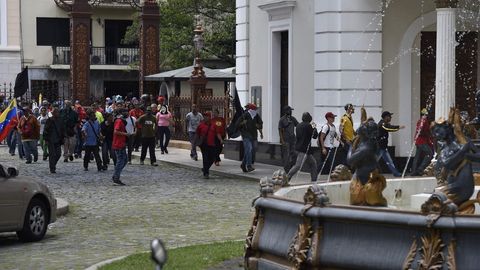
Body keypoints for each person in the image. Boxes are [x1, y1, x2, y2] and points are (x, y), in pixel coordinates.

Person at [286, 112, 319, 183]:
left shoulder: (298, 125)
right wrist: (314, 127)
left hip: (300, 148)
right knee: (298, 166)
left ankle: (314, 180)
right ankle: (287, 177)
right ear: (308, 118)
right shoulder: (309, 126)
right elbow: (315, 135)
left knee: (313, 163)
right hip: (304, 150)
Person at [236, 103, 263, 172]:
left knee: (251, 150)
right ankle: (249, 165)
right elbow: (237, 124)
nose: (255, 111)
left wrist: (260, 131)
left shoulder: (256, 116)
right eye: (254, 109)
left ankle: (243, 164)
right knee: (249, 149)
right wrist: (242, 123)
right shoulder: (245, 115)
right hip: (246, 135)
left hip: (254, 135)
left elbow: (260, 124)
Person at [196, 111, 223, 178]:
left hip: (212, 144)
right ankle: (206, 173)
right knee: (205, 158)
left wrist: (221, 140)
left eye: (206, 116)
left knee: (212, 158)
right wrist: (196, 142)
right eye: (204, 116)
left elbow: (217, 133)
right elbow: (197, 134)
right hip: (204, 145)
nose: (205, 117)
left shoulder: (213, 125)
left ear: (209, 117)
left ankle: (205, 169)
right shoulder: (200, 125)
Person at [377, 111, 404, 177]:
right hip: (379, 147)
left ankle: (396, 173)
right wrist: (398, 127)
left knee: (389, 161)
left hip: (383, 147)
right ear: (386, 117)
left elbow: (389, 127)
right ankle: (366, 173)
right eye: (389, 116)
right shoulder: (382, 124)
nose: (391, 118)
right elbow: (388, 128)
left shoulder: (383, 123)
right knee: (374, 161)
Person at [411, 108, 433, 176]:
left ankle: (414, 171)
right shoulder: (423, 121)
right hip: (421, 141)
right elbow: (420, 131)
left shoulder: (421, 120)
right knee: (429, 154)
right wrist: (428, 134)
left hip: (418, 141)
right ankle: (420, 169)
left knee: (417, 156)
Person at [43, 108, 65, 173]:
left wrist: (63, 137)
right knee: (52, 155)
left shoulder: (60, 120)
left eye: (58, 112)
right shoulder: (49, 120)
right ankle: (52, 168)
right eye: (56, 112)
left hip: (58, 140)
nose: (57, 114)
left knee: (58, 154)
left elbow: (62, 129)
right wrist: (46, 139)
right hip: (50, 140)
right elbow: (45, 130)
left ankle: (53, 164)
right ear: (53, 113)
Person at [112, 109, 130, 185]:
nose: (127, 113)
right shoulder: (119, 121)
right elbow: (116, 131)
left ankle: (116, 174)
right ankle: (116, 177)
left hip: (121, 143)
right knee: (120, 161)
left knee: (124, 160)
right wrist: (125, 134)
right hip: (118, 144)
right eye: (125, 112)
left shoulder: (121, 121)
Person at [278, 105, 298, 172]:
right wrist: (282, 140)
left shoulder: (293, 118)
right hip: (285, 139)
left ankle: (292, 166)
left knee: (295, 154)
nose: (291, 112)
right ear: (286, 111)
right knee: (286, 155)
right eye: (290, 110)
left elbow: (298, 125)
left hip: (293, 139)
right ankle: (287, 170)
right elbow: (280, 130)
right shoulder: (282, 119)